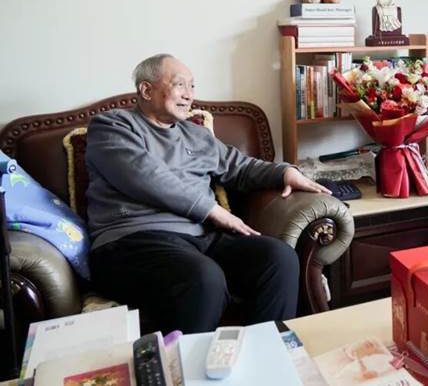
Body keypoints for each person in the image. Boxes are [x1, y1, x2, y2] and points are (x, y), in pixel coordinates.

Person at [86, 54, 331, 333]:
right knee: (203, 276)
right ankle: (188, 361)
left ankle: (265, 350)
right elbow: (146, 176)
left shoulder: (196, 135)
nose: (189, 95)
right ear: (146, 90)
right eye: (180, 85)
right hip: (133, 242)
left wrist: (285, 173)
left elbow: (240, 167)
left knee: (279, 258)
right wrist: (213, 211)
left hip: (200, 238)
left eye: (192, 86)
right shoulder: (112, 126)